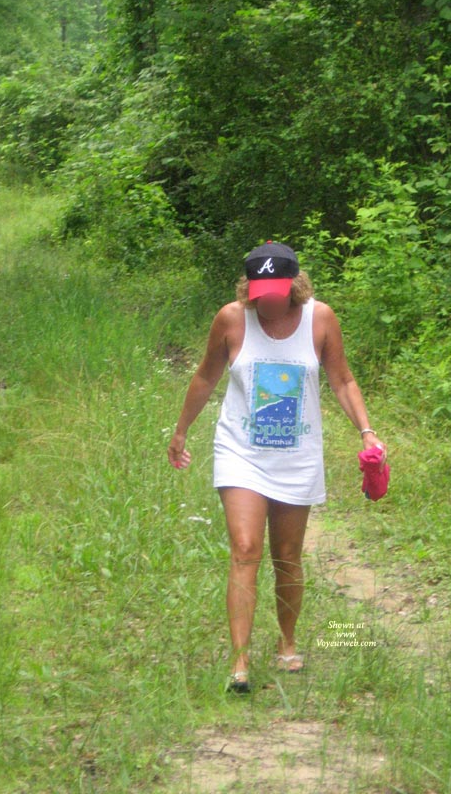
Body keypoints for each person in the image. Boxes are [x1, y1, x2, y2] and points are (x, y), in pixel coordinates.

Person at [167, 241, 387, 693]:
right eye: (259, 293)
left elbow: (342, 379)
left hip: (296, 456)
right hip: (241, 452)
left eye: (276, 292)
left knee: (287, 556)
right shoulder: (232, 319)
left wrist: (366, 431)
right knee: (245, 548)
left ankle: (287, 642)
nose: (267, 301)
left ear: (295, 285)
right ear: (247, 288)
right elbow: (206, 375)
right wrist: (181, 430)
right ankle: (240, 663)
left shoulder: (320, 319)